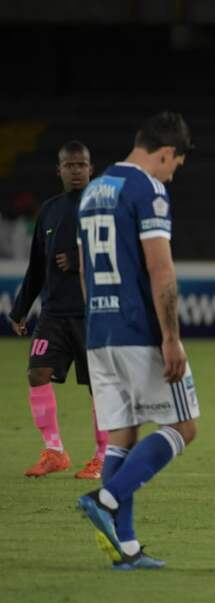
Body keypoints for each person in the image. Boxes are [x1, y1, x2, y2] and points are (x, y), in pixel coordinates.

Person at [75, 111, 199, 569]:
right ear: (165, 152)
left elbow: (86, 269)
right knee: (184, 427)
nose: (172, 173)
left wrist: (95, 324)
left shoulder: (93, 191)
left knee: (122, 435)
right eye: (174, 164)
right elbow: (160, 269)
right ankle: (106, 498)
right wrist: (171, 337)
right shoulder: (148, 189)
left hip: (100, 331)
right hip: (137, 330)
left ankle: (126, 549)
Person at [10, 141, 108, 479]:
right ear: (59, 170)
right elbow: (37, 266)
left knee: (99, 386)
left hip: (93, 313)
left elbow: (123, 254)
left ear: (91, 169)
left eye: (82, 164)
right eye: (70, 165)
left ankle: (102, 456)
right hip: (52, 314)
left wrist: (82, 261)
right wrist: (20, 309)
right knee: (36, 372)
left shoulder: (103, 208)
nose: (77, 170)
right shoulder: (49, 211)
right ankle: (54, 451)